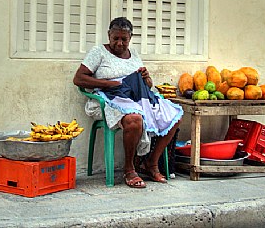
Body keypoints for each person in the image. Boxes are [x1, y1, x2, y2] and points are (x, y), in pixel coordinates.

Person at [73, 17, 183, 189]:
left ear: (130, 38)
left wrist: (146, 79)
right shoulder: (99, 52)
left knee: (174, 115)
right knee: (134, 119)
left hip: (135, 97)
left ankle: (151, 163)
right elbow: (79, 78)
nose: (119, 43)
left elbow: (146, 85)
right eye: (115, 38)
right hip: (109, 98)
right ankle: (129, 169)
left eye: (124, 39)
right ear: (109, 35)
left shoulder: (134, 54)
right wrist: (110, 84)